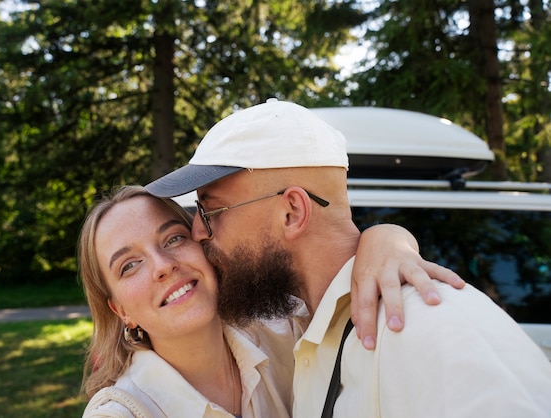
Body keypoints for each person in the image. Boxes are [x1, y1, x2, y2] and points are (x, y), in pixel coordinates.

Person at [145, 99, 551, 417]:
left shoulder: (428, 325)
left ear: (292, 213)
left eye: (210, 210)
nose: (197, 232)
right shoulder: (302, 331)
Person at [79, 185, 462, 418]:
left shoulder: (287, 333)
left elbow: (340, 267)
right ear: (120, 310)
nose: (163, 266)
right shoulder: (123, 412)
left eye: (174, 238)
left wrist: (387, 239)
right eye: (130, 265)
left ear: (204, 245)